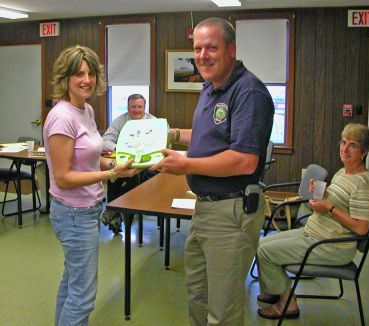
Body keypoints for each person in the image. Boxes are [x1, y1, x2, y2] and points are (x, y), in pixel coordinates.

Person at [150, 17, 274, 325]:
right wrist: (173, 135)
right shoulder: (210, 87)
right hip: (205, 208)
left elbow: (244, 160)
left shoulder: (249, 92)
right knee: (198, 299)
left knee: (223, 311)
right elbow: (212, 134)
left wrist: (185, 165)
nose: (203, 56)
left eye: (212, 48)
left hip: (231, 212)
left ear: (231, 50)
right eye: (198, 49)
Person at [43, 45, 137, 326]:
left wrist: (115, 167)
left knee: (73, 282)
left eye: (91, 73)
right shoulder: (62, 117)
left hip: (89, 208)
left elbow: (89, 159)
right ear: (65, 78)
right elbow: (63, 177)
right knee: (83, 295)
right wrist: (111, 176)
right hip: (72, 213)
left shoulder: (86, 110)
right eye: (78, 74)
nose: (87, 79)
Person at [256, 123, 369, 320]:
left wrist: (329, 208)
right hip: (314, 233)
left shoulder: (363, 184)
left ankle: (288, 305)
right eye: (343, 142)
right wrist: (322, 192)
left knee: (264, 252)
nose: (345, 149)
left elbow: (361, 228)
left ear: (363, 152)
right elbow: (337, 201)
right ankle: (275, 290)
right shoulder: (343, 172)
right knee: (260, 243)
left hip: (331, 245)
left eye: (353, 145)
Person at [101, 94, 158, 233]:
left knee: (132, 178)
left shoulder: (154, 121)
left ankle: (115, 212)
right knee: (114, 178)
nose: (137, 110)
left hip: (148, 165)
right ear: (128, 107)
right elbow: (105, 140)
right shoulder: (120, 121)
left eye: (140, 107)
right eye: (133, 107)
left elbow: (163, 140)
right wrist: (118, 149)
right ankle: (116, 214)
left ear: (145, 107)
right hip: (127, 161)